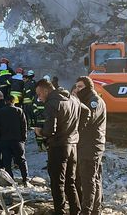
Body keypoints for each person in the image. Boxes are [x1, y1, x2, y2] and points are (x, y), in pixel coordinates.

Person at [35, 79, 90, 215]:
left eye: (39, 94)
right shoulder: (73, 99)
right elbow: (87, 112)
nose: (39, 98)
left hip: (58, 147)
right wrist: (77, 130)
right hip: (72, 146)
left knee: (57, 183)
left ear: (46, 90)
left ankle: (60, 212)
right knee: (70, 182)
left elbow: (49, 131)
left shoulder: (52, 103)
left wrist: (39, 131)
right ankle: (75, 211)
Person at [75, 76, 106, 215]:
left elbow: (89, 118)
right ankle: (95, 209)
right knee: (94, 179)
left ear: (88, 87)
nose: (77, 90)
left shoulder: (94, 101)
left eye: (80, 87)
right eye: (76, 87)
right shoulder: (88, 99)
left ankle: (87, 211)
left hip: (91, 146)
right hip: (89, 145)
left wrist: (76, 102)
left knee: (88, 181)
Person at [0, 95, 29, 186]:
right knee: (21, 160)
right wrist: (23, 139)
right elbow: (24, 126)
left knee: (7, 161)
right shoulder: (19, 111)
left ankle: (11, 181)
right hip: (17, 140)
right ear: (14, 102)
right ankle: (25, 179)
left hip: (4, 140)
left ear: (5, 102)